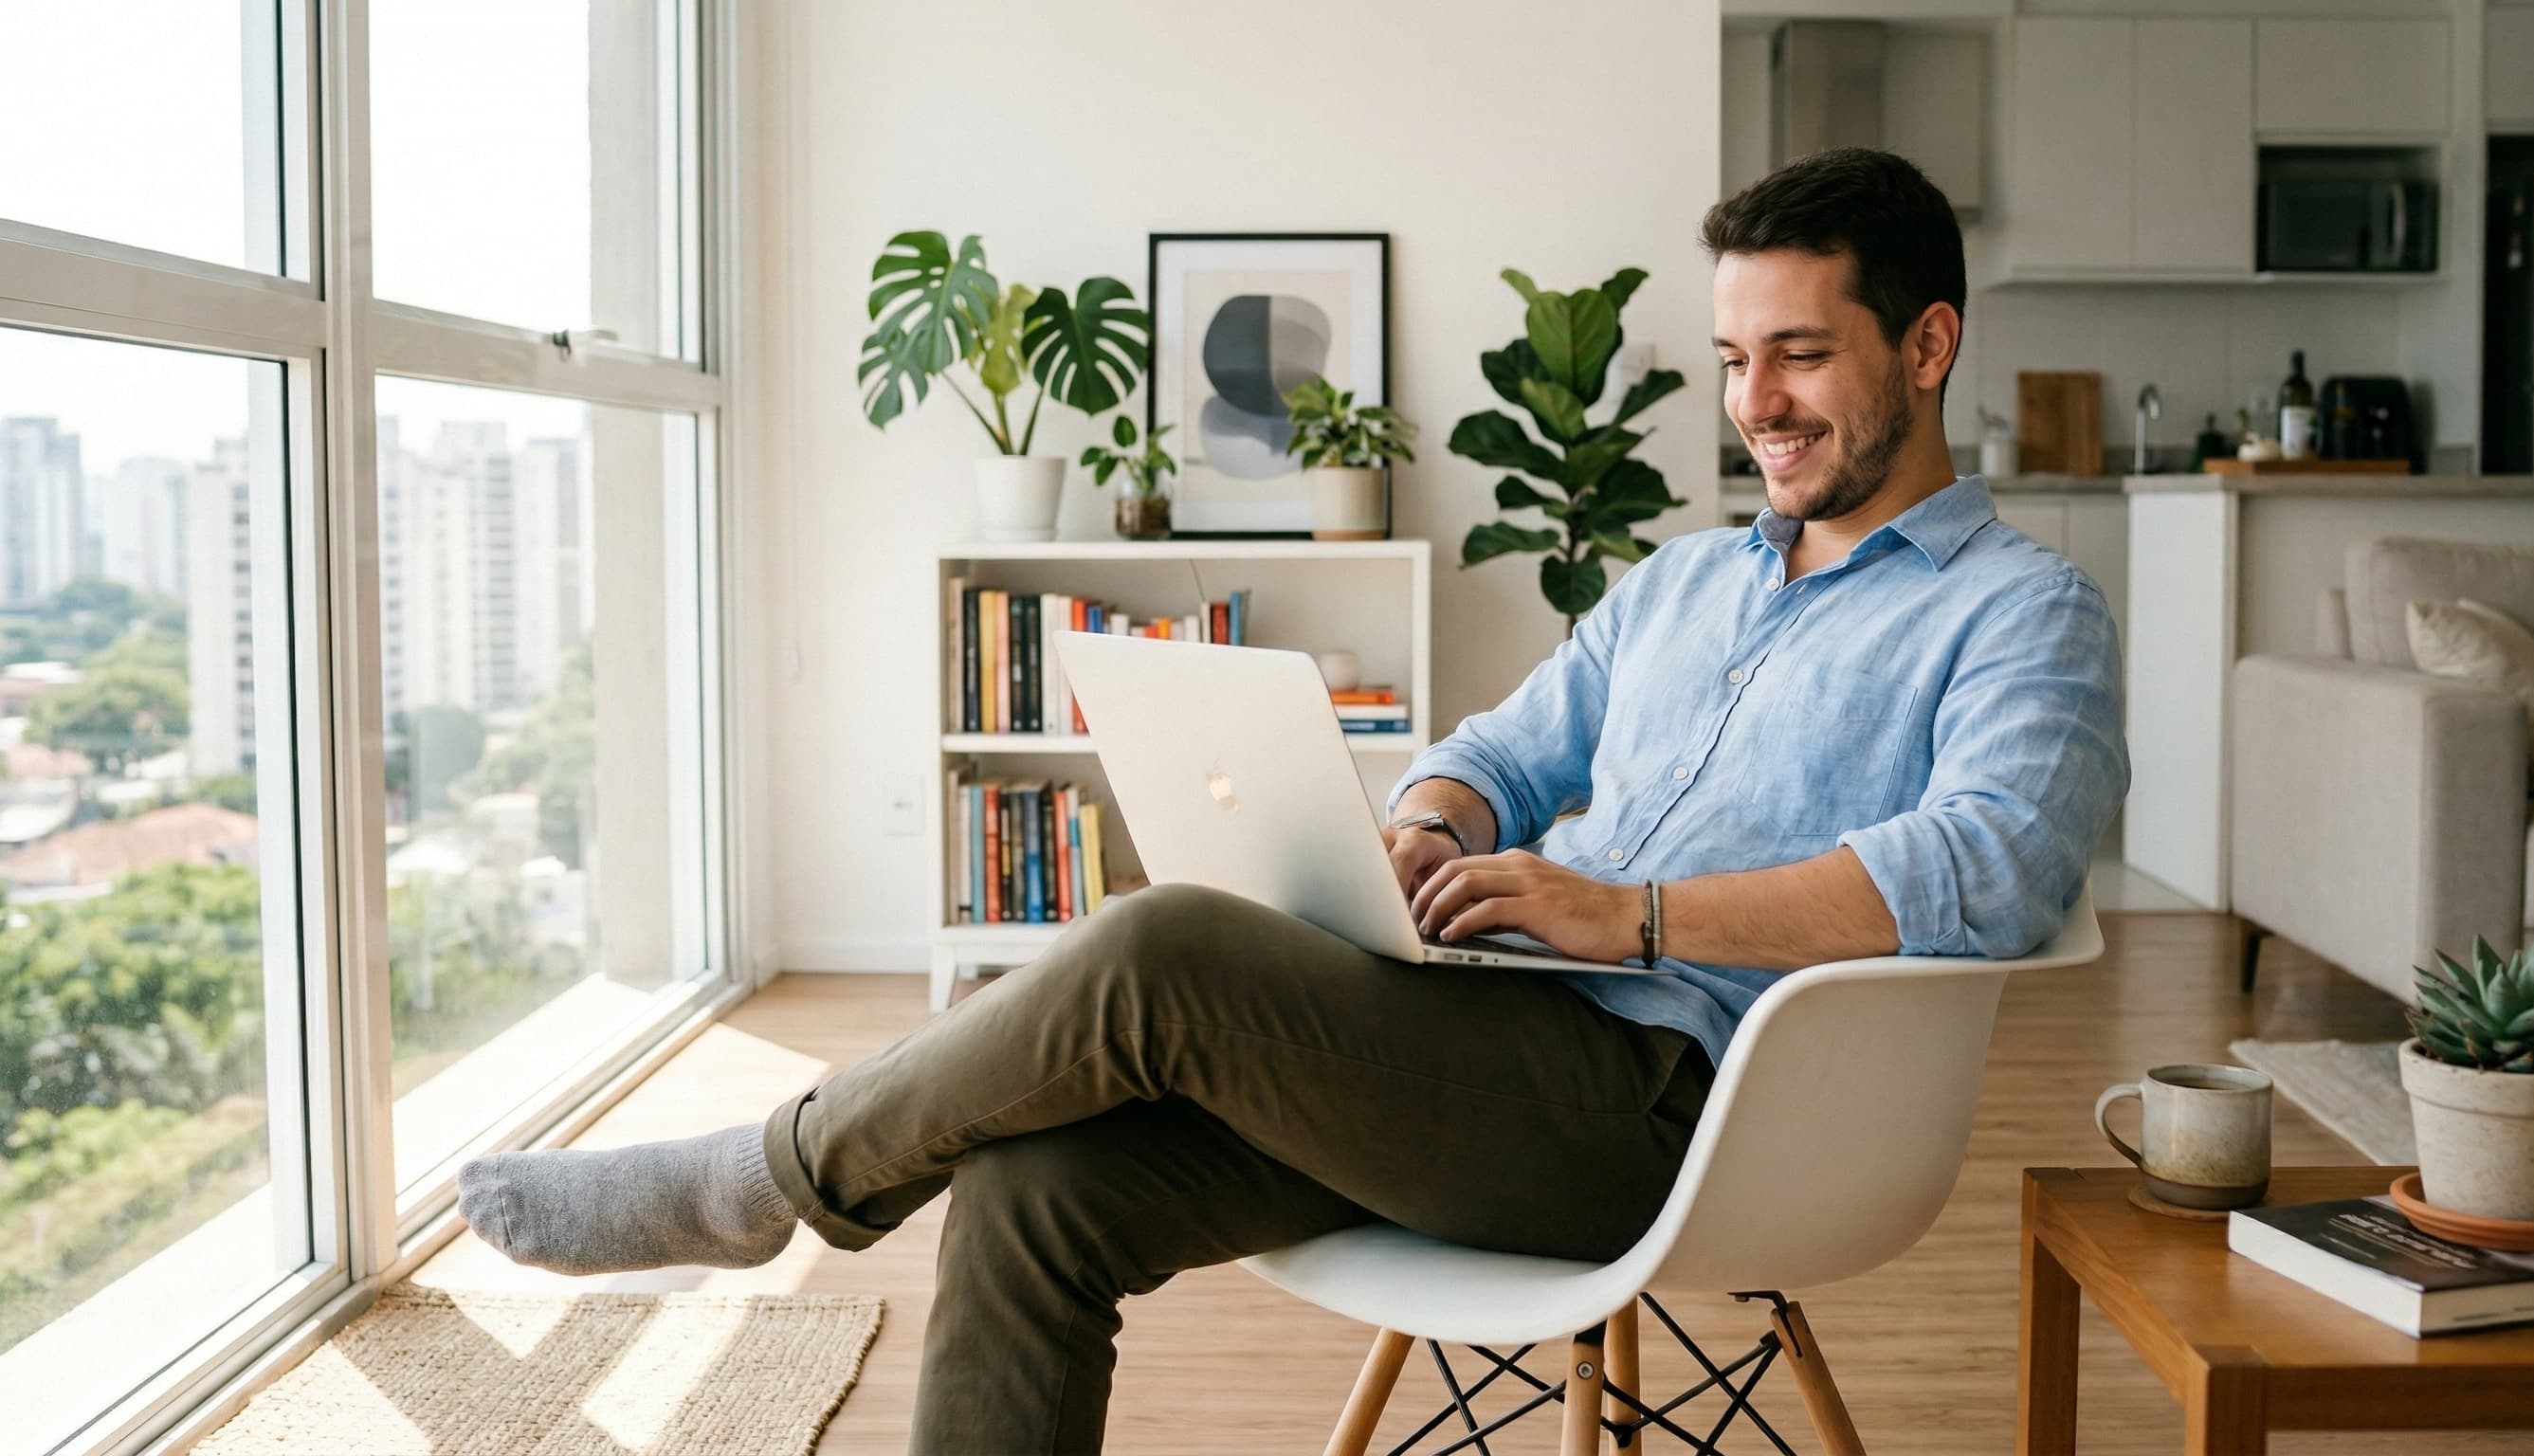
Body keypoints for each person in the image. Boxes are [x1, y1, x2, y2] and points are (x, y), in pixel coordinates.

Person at [454, 146, 2125, 1454]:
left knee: (1163, 949)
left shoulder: (2020, 613)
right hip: (1486, 1043)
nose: (1756, 403)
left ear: (1928, 345)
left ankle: (765, 1181)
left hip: (1685, 1113)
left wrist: (1631, 915)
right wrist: (1431, 826)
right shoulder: (1687, 581)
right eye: (1737, 357)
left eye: (1802, 356)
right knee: (1037, 1197)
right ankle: (788, 1176)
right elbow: (1507, 747)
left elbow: (1988, 864)